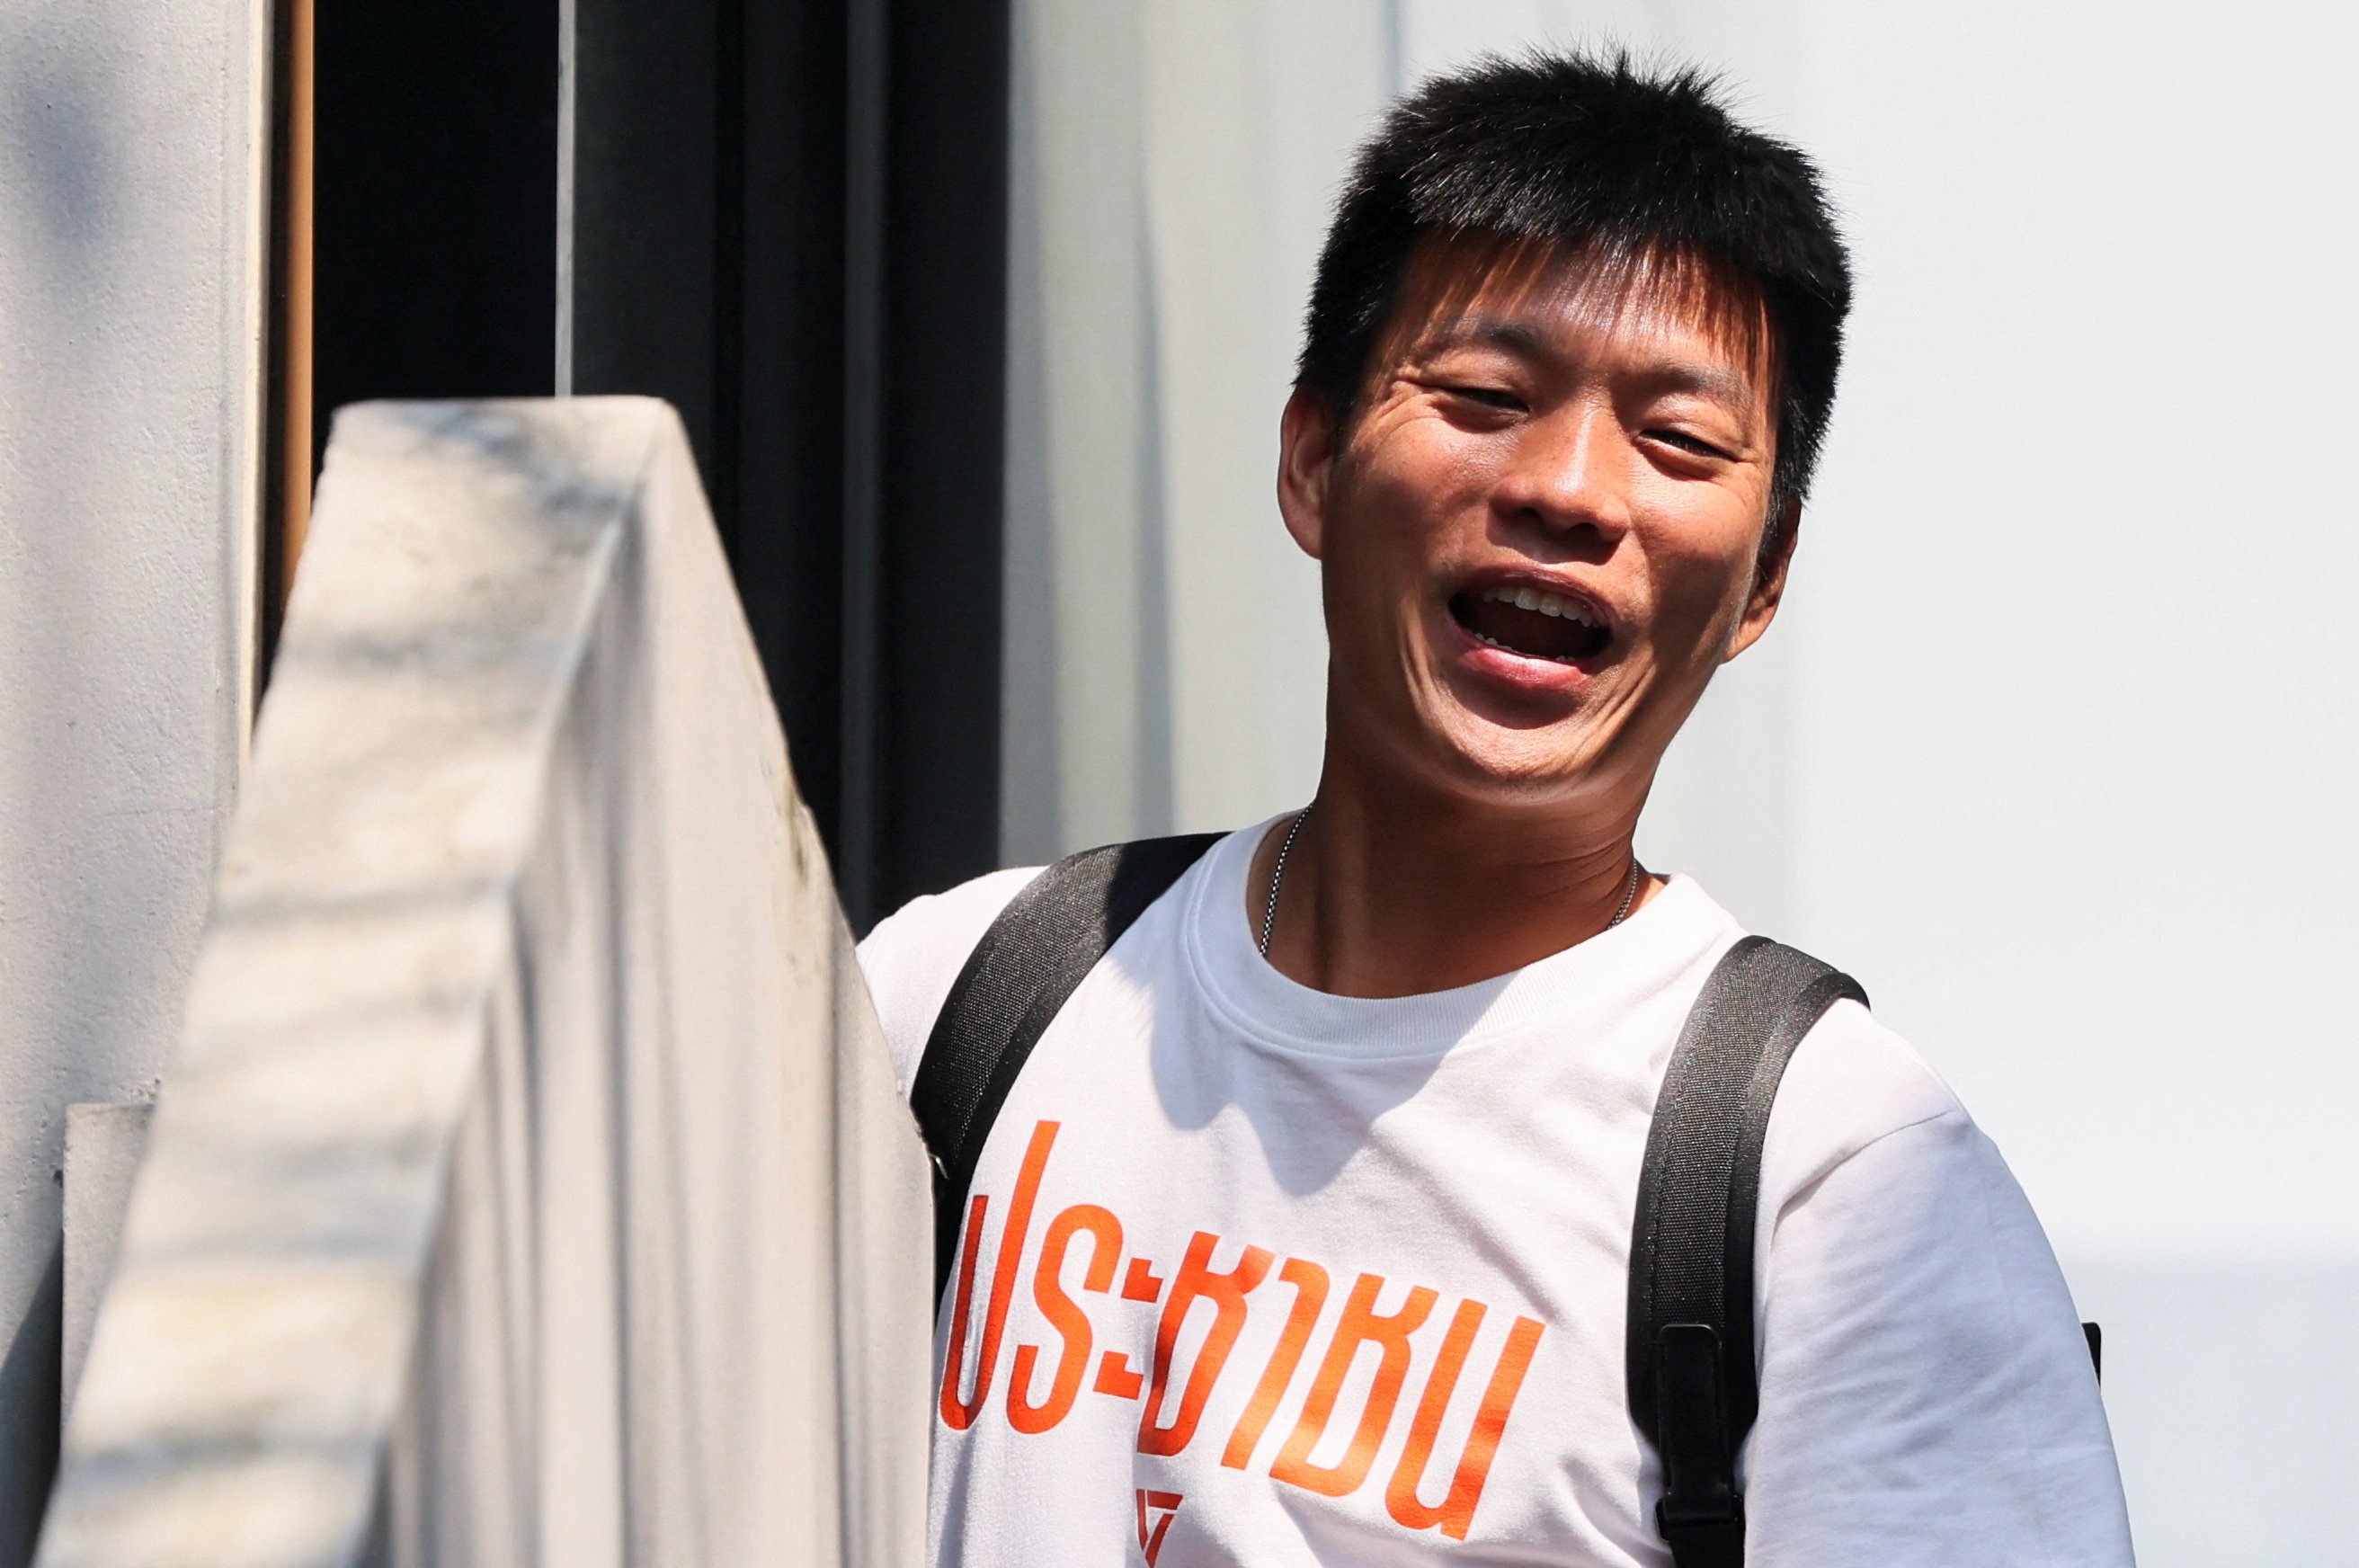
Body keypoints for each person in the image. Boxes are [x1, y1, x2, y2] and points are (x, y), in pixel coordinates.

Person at [859, 48, 2133, 1567]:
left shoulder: (1838, 1186)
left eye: (1678, 441)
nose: (1574, 490)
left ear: (1763, 581)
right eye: (1484, 394)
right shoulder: (955, 1001)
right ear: (1314, 456)